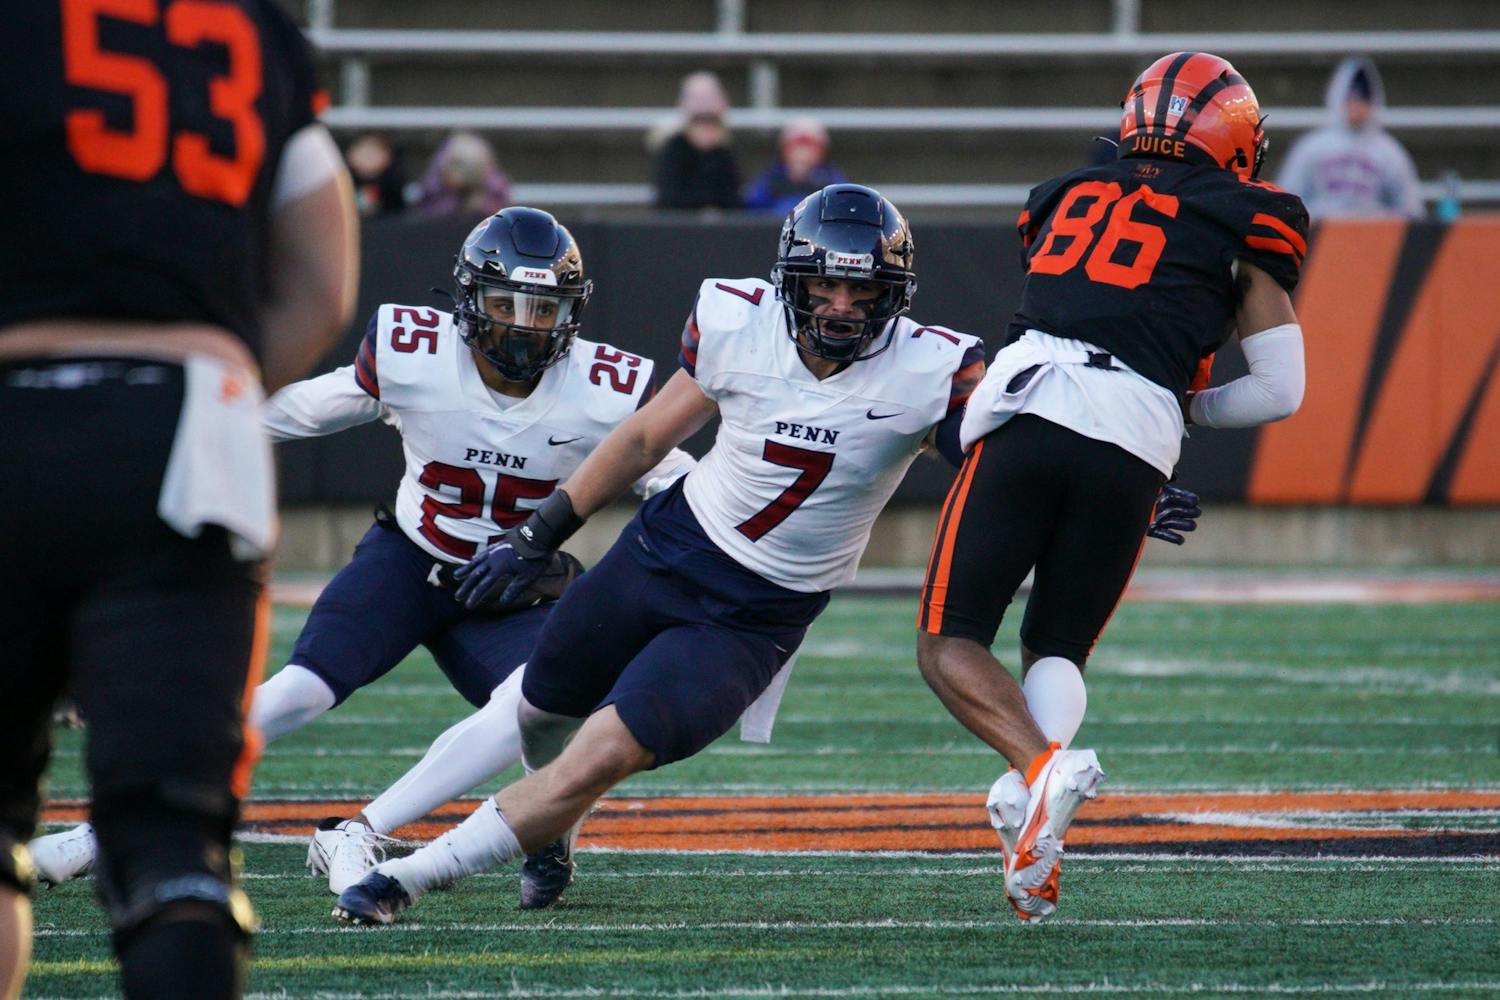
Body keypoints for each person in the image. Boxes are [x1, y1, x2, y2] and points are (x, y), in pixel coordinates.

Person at [330, 182, 1194, 926]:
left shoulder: (933, 369)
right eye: (825, 288)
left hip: (756, 615)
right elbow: (641, 439)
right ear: (792, 280)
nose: (842, 310)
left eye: (863, 295)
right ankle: (548, 841)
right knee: (541, 714)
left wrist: (1118, 481)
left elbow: (1013, 456)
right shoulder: (734, 319)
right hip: (663, 549)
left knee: (603, 751)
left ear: (895, 295)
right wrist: (541, 529)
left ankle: (405, 876)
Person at [27, 208, 695, 912]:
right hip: (408, 563)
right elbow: (298, 411)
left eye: (543, 308)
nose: (523, 326)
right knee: (297, 692)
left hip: (513, 589)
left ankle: (391, 832)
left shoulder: (603, 388)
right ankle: (114, 827)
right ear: (468, 301)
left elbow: (674, 476)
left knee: (532, 712)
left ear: (573, 314)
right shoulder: (419, 356)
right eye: (505, 304)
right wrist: (176, 426)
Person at [0, 1, 359, 995]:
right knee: (174, 844)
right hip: (191, 426)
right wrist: (202, 390)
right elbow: (323, 283)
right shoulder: (250, 31)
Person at [915, 51, 1307, 924]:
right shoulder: (1250, 218)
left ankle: (1041, 771)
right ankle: (1030, 815)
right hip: (1137, 435)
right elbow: (1282, 390)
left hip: (1031, 401)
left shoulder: (1065, 192)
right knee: (1057, 645)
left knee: (949, 642)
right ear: (1236, 138)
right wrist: (1172, 406)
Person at [1275, 56, 1423, 219]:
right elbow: (1286, 201)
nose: (1357, 107)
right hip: (1319, 239)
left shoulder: (1389, 152)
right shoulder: (1311, 147)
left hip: (1373, 239)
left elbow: (1410, 210)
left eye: (1363, 100)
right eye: (1352, 99)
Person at [652, 71, 742, 211]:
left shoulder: (724, 155)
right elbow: (668, 200)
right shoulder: (673, 151)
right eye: (700, 122)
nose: (706, 129)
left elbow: (733, 201)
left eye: (711, 122)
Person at [743, 117, 849, 216]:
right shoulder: (771, 179)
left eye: (810, 147)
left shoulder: (832, 181)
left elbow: (844, 207)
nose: (802, 154)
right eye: (796, 147)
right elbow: (753, 209)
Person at [414, 131, 512, 218]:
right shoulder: (438, 178)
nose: (464, 174)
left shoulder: (492, 184)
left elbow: (499, 203)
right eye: (457, 165)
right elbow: (431, 204)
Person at [346, 132, 409, 216]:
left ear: (387, 157)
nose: (367, 159)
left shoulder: (392, 182)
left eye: (372, 154)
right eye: (364, 153)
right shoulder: (345, 180)